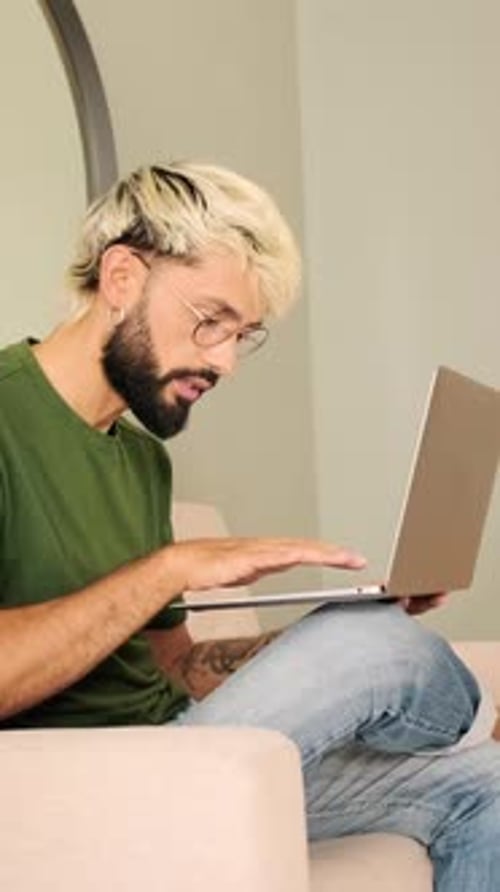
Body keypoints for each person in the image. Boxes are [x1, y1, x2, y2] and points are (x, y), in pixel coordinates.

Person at [0, 162, 498, 889]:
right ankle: (473, 711)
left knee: (482, 783)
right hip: (85, 786)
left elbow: (176, 668)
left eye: (243, 335)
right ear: (121, 278)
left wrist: (309, 642)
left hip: (181, 757)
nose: (225, 361)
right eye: (210, 320)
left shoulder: (140, 459)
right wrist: (168, 569)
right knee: (379, 647)